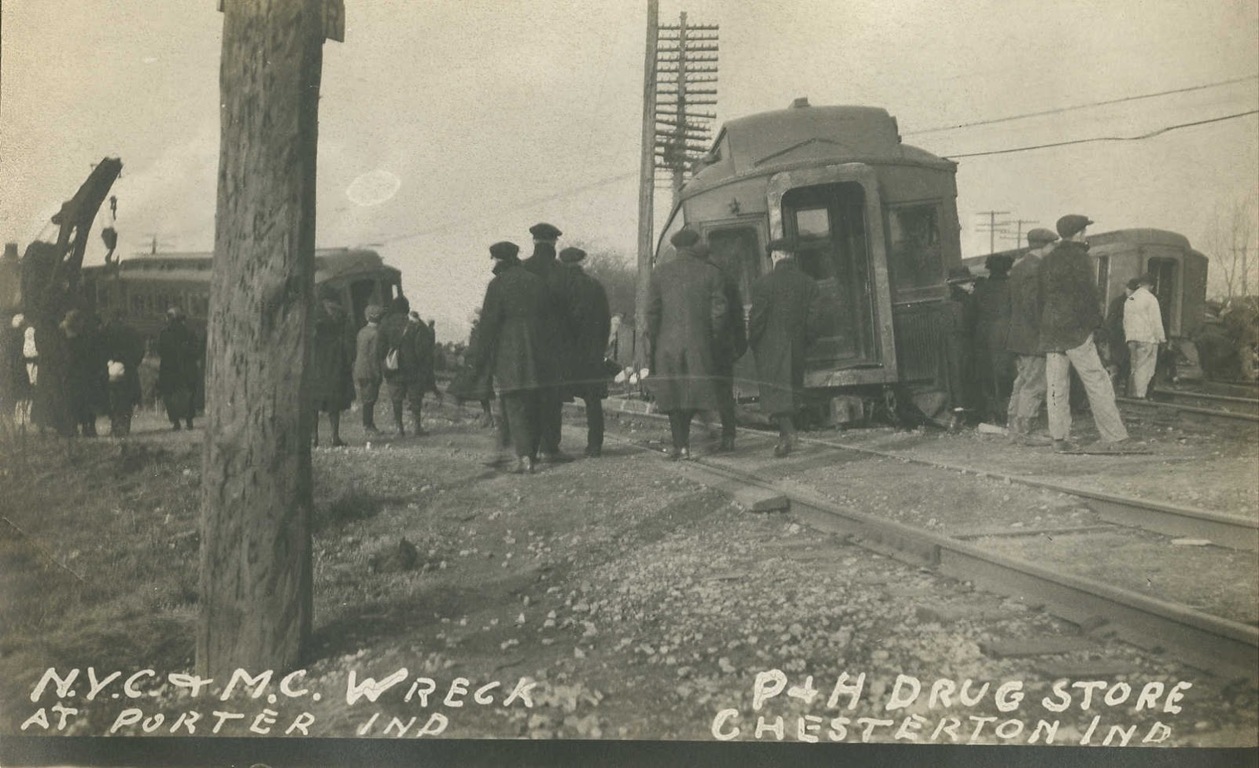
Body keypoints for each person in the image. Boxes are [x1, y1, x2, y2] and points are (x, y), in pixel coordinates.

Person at [1038, 215, 1129, 452]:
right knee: (1097, 380)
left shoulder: (1048, 259)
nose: (1085, 234)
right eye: (1084, 231)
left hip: (1051, 331)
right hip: (1076, 331)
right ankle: (1114, 436)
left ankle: (1059, 437)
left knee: (1057, 384)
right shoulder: (1081, 258)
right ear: (1078, 233)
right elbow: (1089, 296)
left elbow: (1041, 297)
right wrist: (1098, 326)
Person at [646, 227, 728, 460]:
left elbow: (651, 313)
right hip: (699, 342)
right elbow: (719, 311)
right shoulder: (711, 273)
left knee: (673, 395)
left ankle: (680, 446)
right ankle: (708, 435)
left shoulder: (659, 273)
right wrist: (711, 337)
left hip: (667, 344)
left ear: (674, 248)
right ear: (695, 245)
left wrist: (656, 340)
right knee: (697, 391)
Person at [471, 241, 551, 474]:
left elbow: (488, 325)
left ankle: (524, 457)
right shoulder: (537, 282)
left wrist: (480, 358)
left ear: (499, 260)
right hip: (539, 351)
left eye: (494, 259)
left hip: (510, 353)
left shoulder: (497, 285)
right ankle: (522, 452)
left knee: (514, 402)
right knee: (533, 402)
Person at [749, 237, 819, 457]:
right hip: (797, 344)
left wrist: (754, 340)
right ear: (791, 256)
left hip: (770, 346)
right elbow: (814, 318)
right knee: (791, 392)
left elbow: (757, 319)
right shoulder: (808, 283)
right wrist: (806, 340)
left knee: (774, 392)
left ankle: (789, 433)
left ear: (775, 256)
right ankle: (784, 441)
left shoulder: (763, 283)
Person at [521, 222, 571, 462]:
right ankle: (550, 447)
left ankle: (529, 448)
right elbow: (570, 311)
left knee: (529, 394)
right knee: (552, 396)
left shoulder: (522, 268)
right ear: (554, 242)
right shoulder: (561, 271)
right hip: (555, 344)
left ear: (534, 241)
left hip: (527, 343)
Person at [557, 246, 612, 458]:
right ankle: (595, 445)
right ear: (581, 262)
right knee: (592, 400)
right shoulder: (595, 286)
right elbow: (605, 321)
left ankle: (553, 445)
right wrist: (600, 347)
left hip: (563, 353)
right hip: (590, 353)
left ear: (562, 263)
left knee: (555, 399)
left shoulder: (557, 286)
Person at [1004, 228, 1057, 445]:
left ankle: (1014, 429)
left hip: (1019, 336)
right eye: (1052, 245)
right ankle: (1025, 431)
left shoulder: (1019, 267)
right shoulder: (1035, 269)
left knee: (1022, 382)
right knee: (1034, 384)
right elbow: (1034, 305)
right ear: (1044, 246)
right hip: (1033, 338)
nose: (1053, 249)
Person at [702, 240, 747, 452]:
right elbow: (737, 316)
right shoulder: (727, 279)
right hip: (723, 346)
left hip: (701, 345)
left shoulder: (696, 278)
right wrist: (740, 344)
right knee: (724, 392)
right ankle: (729, 435)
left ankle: (709, 427)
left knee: (698, 388)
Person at [973, 253, 1015, 425]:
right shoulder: (1011, 286)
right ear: (1007, 268)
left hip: (983, 338)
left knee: (988, 376)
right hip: (1006, 336)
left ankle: (992, 415)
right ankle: (1007, 415)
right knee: (1007, 375)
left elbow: (974, 313)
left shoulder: (980, 288)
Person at [310, 285, 355, 447]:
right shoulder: (341, 313)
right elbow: (350, 338)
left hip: (317, 360)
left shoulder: (314, 312)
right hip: (336, 360)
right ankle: (334, 437)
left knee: (314, 400)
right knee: (334, 401)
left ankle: (314, 437)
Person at [60, 309, 105, 437]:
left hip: (72, 377)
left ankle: (73, 429)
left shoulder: (66, 342)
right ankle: (88, 428)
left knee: (72, 403)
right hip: (85, 376)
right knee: (86, 403)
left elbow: (66, 360)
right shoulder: (86, 340)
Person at [944, 265, 980, 426]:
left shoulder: (949, 301)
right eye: (969, 283)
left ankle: (956, 415)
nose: (972, 285)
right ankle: (969, 415)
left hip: (952, 345)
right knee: (968, 376)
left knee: (956, 378)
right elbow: (971, 324)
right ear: (962, 284)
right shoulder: (966, 301)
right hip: (965, 344)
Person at [100, 311, 144, 437]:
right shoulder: (131, 331)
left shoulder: (106, 331)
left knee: (113, 399)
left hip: (110, 367)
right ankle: (124, 427)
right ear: (121, 317)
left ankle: (115, 426)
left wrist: (106, 362)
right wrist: (133, 362)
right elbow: (140, 349)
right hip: (128, 369)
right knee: (126, 399)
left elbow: (100, 349)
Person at [1123, 273, 1166, 399]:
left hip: (1131, 338)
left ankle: (1131, 393)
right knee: (1145, 367)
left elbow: (1125, 321)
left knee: (1134, 366)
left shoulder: (1130, 299)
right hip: (1147, 338)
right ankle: (1139, 395)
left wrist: (1128, 336)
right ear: (1151, 286)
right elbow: (1156, 321)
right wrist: (1162, 338)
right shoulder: (1151, 299)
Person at [157, 306, 200, 431]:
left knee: (169, 396)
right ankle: (189, 421)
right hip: (185, 369)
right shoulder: (188, 332)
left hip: (169, 369)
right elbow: (195, 351)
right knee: (187, 396)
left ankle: (176, 422)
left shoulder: (164, 333)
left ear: (170, 319)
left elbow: (160, 350)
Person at [353, 304, 384, 434]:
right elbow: (374, 355)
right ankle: (368, 426)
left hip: (360, 368)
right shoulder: (376, 334)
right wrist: (378, 373)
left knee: (365, 398)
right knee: (370, 399)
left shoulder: (361, 332)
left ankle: (368, 424)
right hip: (370, 370)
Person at [1103, 279, 1137, 393]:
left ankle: (1123, 392)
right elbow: (1110, 322)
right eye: (1130, 289)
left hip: (1127, 339)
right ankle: (1113, 392)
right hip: (1117, 338)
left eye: (1134, 290)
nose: (1131, 292)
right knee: (1116, 366)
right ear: (1126, 289)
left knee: (1125, 367)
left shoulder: (1134, 302)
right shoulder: (1118, 302)